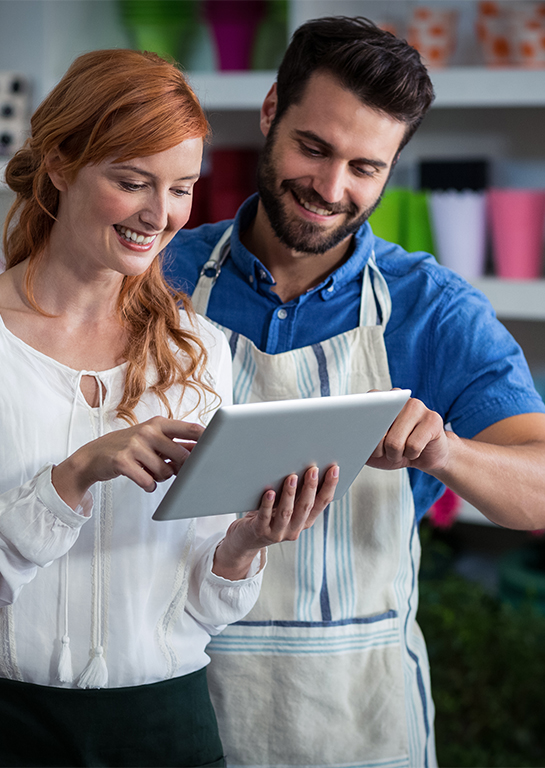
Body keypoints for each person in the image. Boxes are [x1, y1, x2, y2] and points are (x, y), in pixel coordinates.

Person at [166, 15, 545, 767]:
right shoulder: (164, 279)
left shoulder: (431, 308)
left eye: (365, 167)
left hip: (358, 719)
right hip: (179, 698)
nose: (331, 189)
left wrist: (449, 451)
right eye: (314, 148)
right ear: (271, 113)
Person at [0, 48, 338, 767]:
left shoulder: (197, 351)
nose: (161, 215)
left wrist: (243, 547)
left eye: (183, 187)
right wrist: (75, 475)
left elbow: (198, 611)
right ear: (60, 164)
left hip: (168, 727)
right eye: (132, 182)